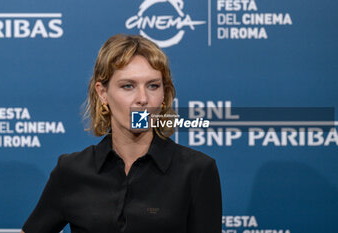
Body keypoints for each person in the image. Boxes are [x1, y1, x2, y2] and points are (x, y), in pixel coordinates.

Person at [21, 34, 222, 233]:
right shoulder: (71, 171)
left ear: (163, 94)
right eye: (128, 86)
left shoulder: (197, 171)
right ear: (103, 93)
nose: (142, 99)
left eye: (153, 86)